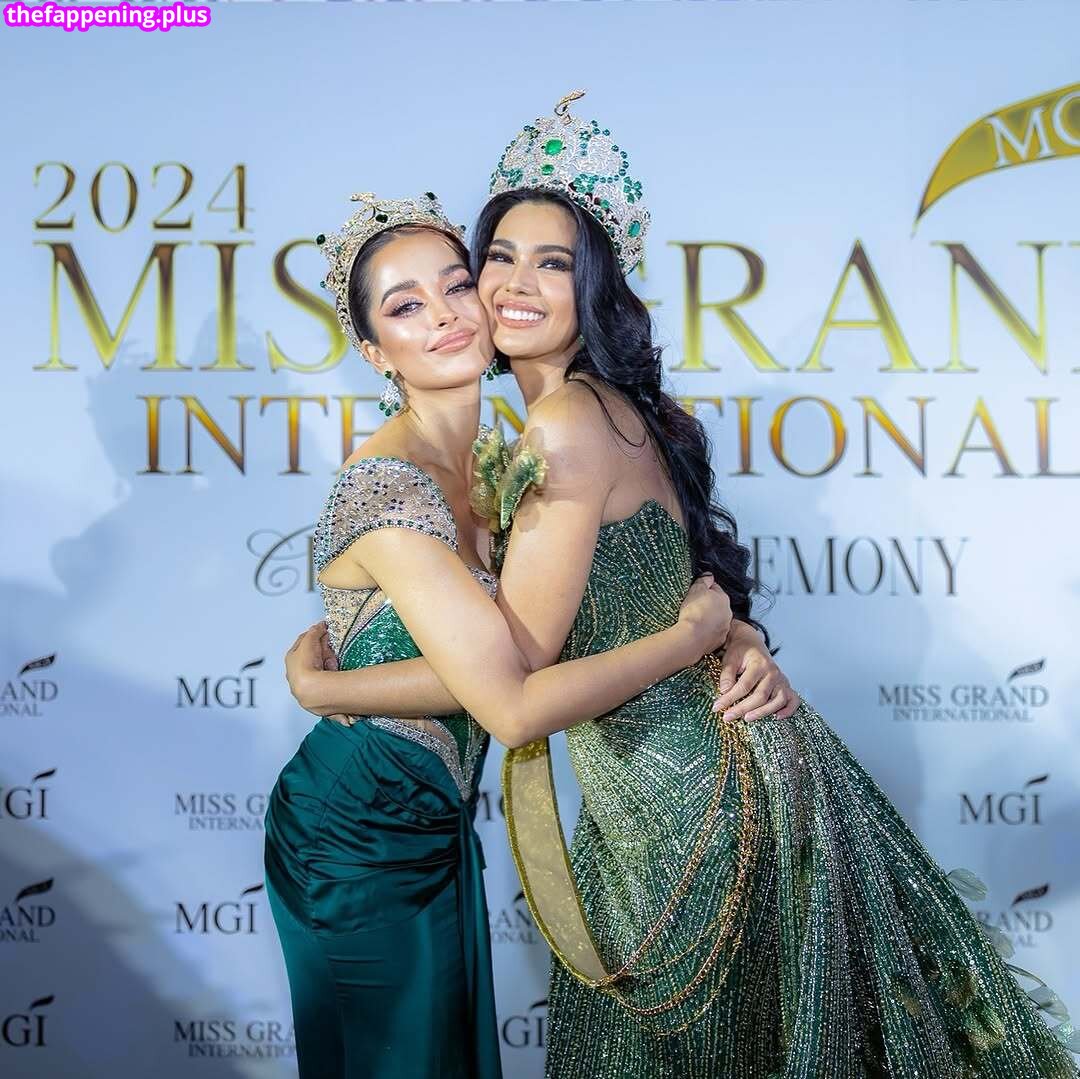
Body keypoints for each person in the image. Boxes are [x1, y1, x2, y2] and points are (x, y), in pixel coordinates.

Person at [286, 96, 1079, 1079]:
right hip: (707, 784)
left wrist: (326, 685)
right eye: (499, 259)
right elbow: (631, 597)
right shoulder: (589, 417)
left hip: (679, 814)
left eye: (551, 263)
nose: (510, 287)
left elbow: (513, 689)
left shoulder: (560, 427)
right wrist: (724, 627)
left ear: (593, 287)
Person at [263, 190, 736, 1079]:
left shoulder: (502, 457)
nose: (445, 315)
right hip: (355, 833)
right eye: (406, 307)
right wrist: (693, 637)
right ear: (374, 351)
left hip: (437, 824)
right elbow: (508, 698)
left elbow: (515, 648)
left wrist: (732, 632)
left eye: (455, 285)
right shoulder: (388, 489)